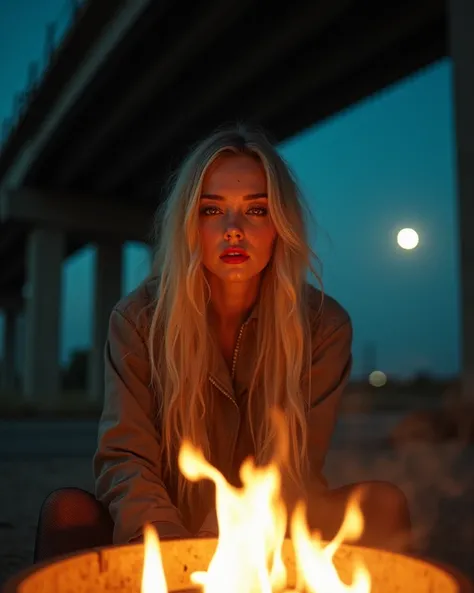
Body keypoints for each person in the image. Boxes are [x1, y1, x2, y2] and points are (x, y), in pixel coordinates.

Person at [33, 124, 411, 562]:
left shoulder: (323, 325)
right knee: (67, 513)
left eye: (256, 210)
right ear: (191, 225)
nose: (234, 229)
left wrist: (227, 550)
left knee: (383, 505)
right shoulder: (138, 320)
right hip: (159, 532)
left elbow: (293, 466)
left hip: (274, 530)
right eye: (212, 211)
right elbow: (125, 458)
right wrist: (174, 554)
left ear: (280, 225)